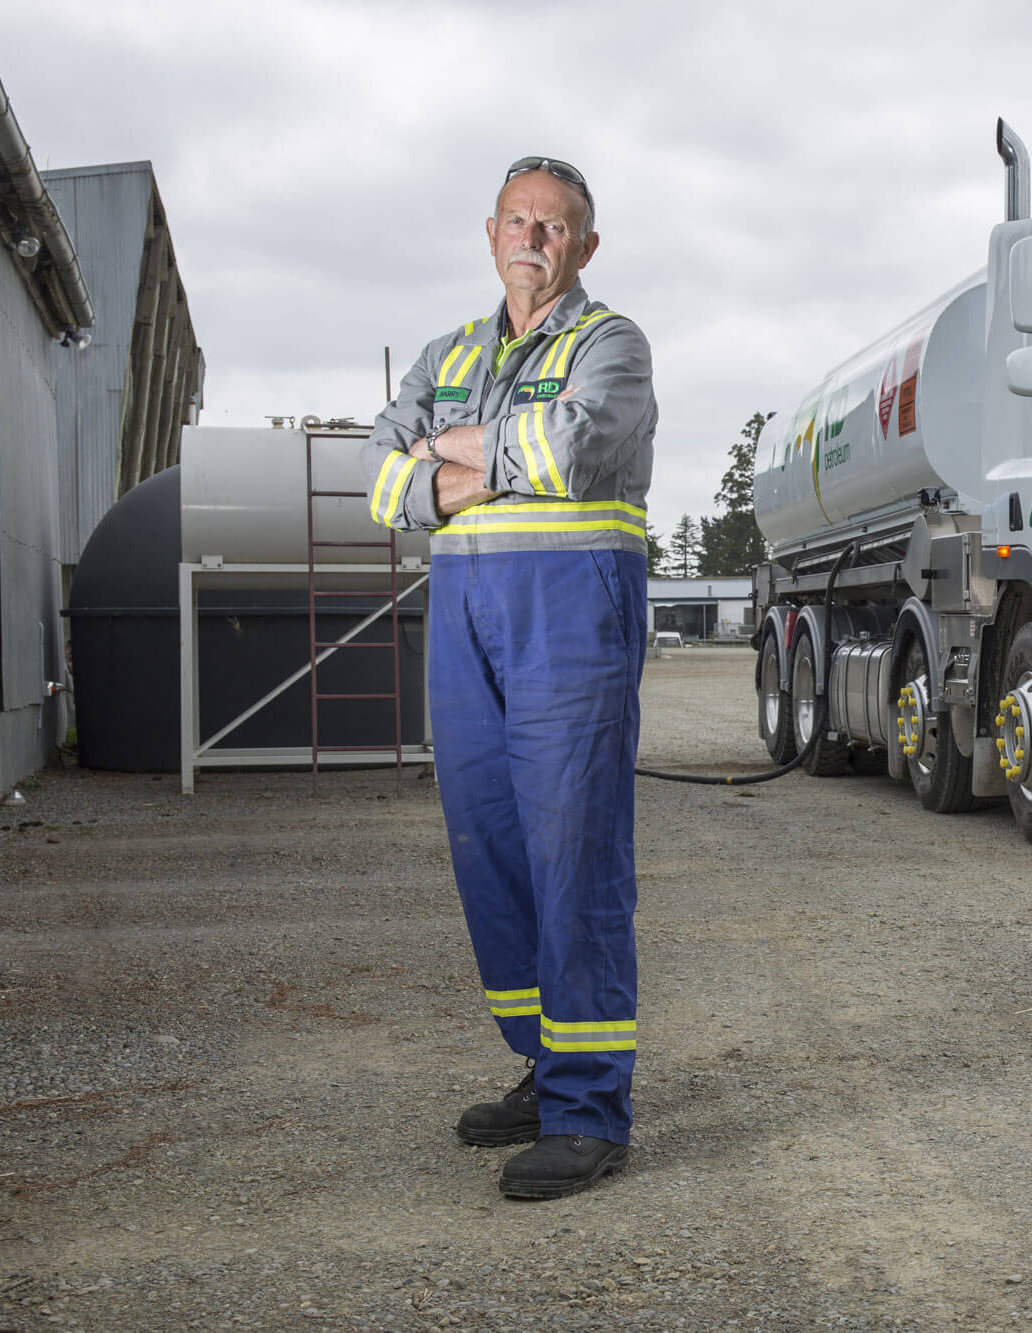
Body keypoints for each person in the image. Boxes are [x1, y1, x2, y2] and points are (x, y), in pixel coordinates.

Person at [360, 156, 656, 1200]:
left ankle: (589, 1110)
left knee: (573, 853)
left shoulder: (608, 342)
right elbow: (379, 477)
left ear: (583, 244)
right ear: (491, 232)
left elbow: (573, 449)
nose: (534, 235)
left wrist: (445, 455)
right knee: (488, 844)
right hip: (467, 624)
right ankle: (544, 1062)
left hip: (572, 616)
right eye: (519, 219)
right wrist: (478, 456)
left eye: (557, 223)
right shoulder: (447, 352)